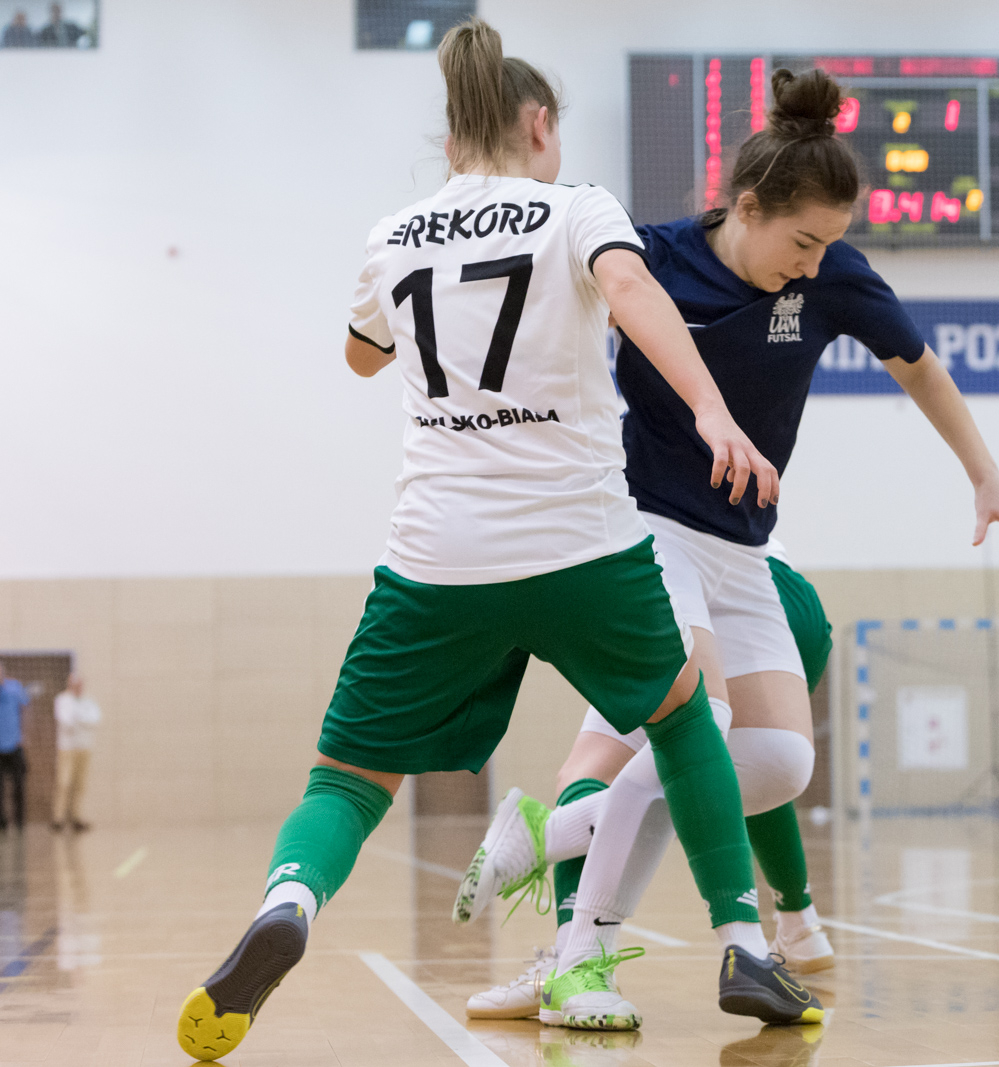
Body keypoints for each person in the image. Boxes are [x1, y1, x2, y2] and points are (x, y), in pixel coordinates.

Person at [175, 18, 809, 1061]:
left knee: (346, 778)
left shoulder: (396, 233)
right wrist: (710, 408)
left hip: (437, 557)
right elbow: (631, 289)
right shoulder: (577, 207)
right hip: (580, 546)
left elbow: (360, 356)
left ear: (451, 137)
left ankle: (288, 901)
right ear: (539, 125)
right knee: (683, 716)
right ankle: (743, 943)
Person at [455, 65, 999, 1031]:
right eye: (802, 241)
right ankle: (581, 954)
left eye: (828, 245)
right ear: (748, 206)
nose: (812, 264)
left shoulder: (832, 277)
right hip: (644, 528)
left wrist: (987, 474)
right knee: (701, 727)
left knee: (776, 762)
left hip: (742, 548)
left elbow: (919, 367)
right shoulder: (650, 257)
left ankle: (544, 831)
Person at [464, 536, 832, 1020]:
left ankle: (568, 938)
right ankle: (800, 924)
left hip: (672, 554)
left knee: (601, 768)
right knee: (759, 758)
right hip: (777, 583)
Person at [52, 673, 100, 832]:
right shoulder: (63, 700)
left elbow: (95, 719)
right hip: (67, 748)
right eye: (75, 685)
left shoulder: (89, 700)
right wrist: (81, 718)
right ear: (70, 685)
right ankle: (58, 818)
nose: (78, 687)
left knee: (80, 784)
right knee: (64, 783)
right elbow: (66, 722)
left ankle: (76, 817)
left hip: (84, 747)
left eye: (80, 684)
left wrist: (79, 718)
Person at [0, 662, 30, 831]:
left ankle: (19, 822)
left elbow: (27, 709)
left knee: (19, 785)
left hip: (14, 745)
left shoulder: (14, 688)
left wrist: (23, 734)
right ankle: (2, 822)